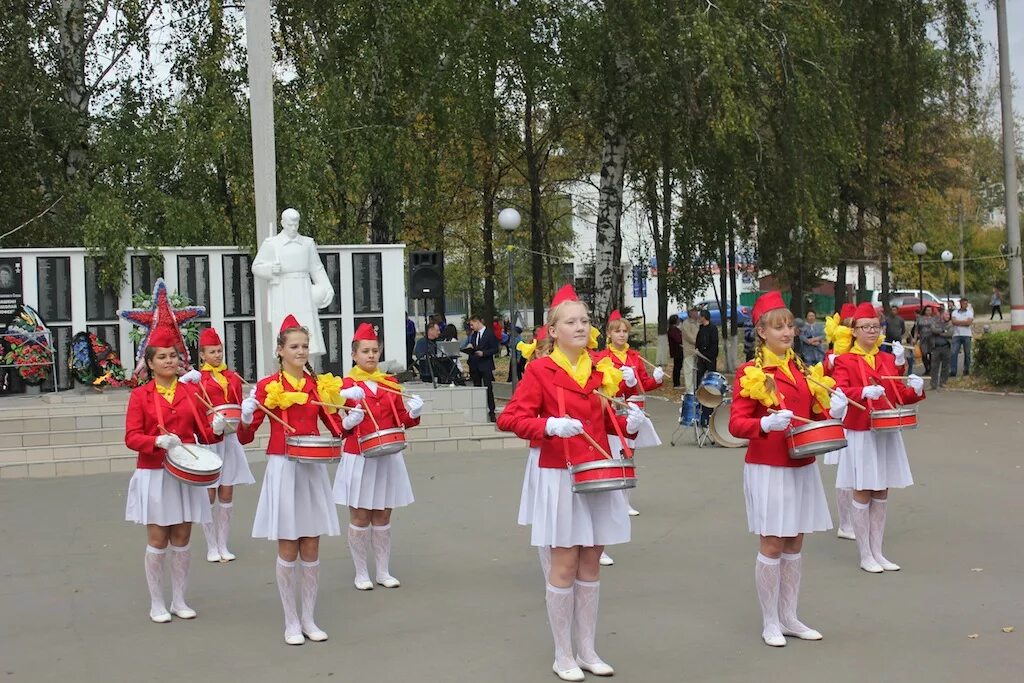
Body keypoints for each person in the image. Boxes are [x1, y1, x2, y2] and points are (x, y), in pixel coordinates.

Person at [497, 284, 648, 681]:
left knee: (591, 561)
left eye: (583, 320)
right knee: (564, 564)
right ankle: (562, 654)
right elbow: (510, 418)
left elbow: (607, 423)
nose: (580, 326)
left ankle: (588, 649)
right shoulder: (540, 370)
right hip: (559, 475)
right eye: (571, 321)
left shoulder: (601, 369)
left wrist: (629, 427)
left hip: (597, 473)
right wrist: (548, 424)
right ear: (552, 330)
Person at [729, 291, 844, 647]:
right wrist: (764, 425)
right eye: (778, 327)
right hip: (769, 466)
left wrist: (834, 410)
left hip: (801, 463)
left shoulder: (804, 370)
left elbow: (816, 417)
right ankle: (770, 621)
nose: (787, 332)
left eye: (790, 326)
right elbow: (736, 424)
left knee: (795, 540)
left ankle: (790, 616)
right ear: (761, 332)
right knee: (774, 541)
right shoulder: (751, 372)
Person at [238, 314, 358, 645]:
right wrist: (246, 417)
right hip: (284, 466)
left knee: (312, 543)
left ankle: (308, 617)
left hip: (313, 467)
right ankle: (290, 620)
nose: (301, 351)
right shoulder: (267, 386)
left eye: (305, 346)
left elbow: (334, 429)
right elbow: (247, 436)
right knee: (288, 544)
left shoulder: (317, 385)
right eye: (294, 346)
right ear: (280, 350)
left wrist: (349, 422)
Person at [124, 326, 223, 623]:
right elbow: (131, 437)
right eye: (162, 357)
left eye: (173, 356)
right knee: (158, 538)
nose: (169, 361)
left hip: (185, 474)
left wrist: (217, 428)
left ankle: (179, 599)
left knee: (182, 535)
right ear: (150, 363)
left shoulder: (190, 393)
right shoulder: (141, 396)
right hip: (154, 472)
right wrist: (155, 441)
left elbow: (204, 435)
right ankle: (157, 602)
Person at [832, 302, 925, 574]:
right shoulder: (845, 360)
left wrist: (915, 388)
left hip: (886, 429)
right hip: (861, 431)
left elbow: (897, 395)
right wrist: (861, 393)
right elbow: (839, 391)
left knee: (882, 489)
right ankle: (865, 554)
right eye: (866, 327)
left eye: (876, 326)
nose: (872, 331)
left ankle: (878, 551)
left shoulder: (886, 359)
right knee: (863, 488)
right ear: (854, 331)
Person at [334, 323, 422, 591]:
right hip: (359, 456)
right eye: (365, 351)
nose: (371, 355)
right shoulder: (344, 385)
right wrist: (348, 421)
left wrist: (415, 412)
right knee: (360, 516)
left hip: (388, 454)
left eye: (375, 351)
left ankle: (383, 570)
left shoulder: (389, 383)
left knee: (383, 514)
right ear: (354, 355)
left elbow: (401, 420)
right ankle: (361, 572)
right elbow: (336, 426)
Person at [179, 327, 256, 563]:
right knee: (209, 494)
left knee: (227, 491)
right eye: (212, 352)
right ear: (202, 355)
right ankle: (212, 545)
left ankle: (223, 542)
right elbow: (194, 411)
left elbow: (236, 403)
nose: (217, 355)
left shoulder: (232, 377)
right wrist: (210, 426)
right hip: (209, 438)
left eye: (219, 351)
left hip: (230, 439)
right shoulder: (196, 380)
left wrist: (246, 410)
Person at [251, 209, 335, 362]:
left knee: (308, 337)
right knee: (286, 337)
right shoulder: (272, 244)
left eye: (296, 224)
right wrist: (271, 270)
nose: (293, 228)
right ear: (283, 223)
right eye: (290, 224)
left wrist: (326, 288)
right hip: (282, 291)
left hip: (303, 290)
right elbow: (256, 267)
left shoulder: (307, 243)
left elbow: (316, 268)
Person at [466, 315, 498, 421]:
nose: (471, 327)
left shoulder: (489, 334)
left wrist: (484, 353)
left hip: (485, 364)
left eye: (472, 324)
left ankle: (492, 411)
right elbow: (474, 346)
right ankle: (479, 410)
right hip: (475, 365)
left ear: (478, 322)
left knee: (488, 388)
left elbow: (495, 349)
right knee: (477, 388)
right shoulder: (474, 334)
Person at [929, 310, 954, 389]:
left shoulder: (950, 324)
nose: (948, 316)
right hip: (936, 347)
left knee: (945, 366)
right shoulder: (935, 322)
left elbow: (950, 333)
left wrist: (939, 333)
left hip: (946, 347)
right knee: (934, 366)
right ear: (942, 315)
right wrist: (943, 330)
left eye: (949, 315)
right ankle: (933, 384)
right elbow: (933, 330)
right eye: (946, 314)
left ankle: (943, 382)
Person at [950, 296, 974, 377]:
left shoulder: (970, 312)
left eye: (967, 303)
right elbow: (953, 322)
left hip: (967, 335)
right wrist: (964, 322)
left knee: (967, 354)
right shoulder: (954, 312)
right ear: (960, 303)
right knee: (953, 353)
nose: (966, 305)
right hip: (957, 335)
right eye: (964, 303)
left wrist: (959, 322)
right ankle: (953, 370)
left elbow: (968, 323)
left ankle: (966, 370)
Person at [695, 309, 718, 386]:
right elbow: (698, 340)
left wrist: (709, 354)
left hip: (710, 357)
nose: (699, 318)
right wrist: (697, 349)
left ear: (704, 317)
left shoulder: (713, 328)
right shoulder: (701, 328)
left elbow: (714, 343)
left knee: (711, 375)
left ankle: (712, 392)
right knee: (699, 375)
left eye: (700, 316)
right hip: (701, 356)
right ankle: (698, 391)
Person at [912, 305, 938, 375]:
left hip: (931, 338)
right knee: (924, 353)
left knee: (931, 353)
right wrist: (915, 338)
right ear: (924, 311)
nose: (928, 312)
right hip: (923, 338)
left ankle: (931, 368)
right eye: (927, 310)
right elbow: (916, 329)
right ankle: (927, 368)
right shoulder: (920, 319)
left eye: (930, 310)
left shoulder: (934, 319)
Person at [681, 308, 700, 391]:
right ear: (690, 313)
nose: (696, 313)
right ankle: (689, 390)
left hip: (698, 351)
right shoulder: (686, 323)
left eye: (697, 311)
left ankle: (695, 387)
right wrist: (699, 342)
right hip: (689, 351)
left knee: (696, 370)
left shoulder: (698, 322)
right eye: (694, 311)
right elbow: (689, 337)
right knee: (689, 371)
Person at [667, 314, 683, 388]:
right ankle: (676, 384)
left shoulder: (674, 329)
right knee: (677, 367)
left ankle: (677, 383)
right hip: (677, 351)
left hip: (678, 351)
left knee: (678, 367)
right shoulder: (673, 330)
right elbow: (678, 339)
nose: (679, 321)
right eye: (678, 319)